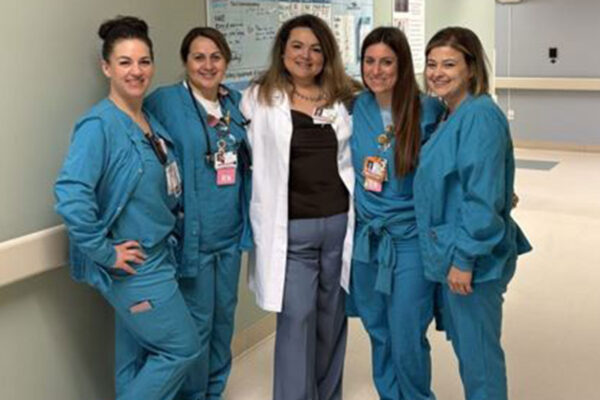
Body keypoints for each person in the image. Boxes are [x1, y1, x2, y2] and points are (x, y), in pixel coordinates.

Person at [54, 16, 200, 400]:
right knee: (181, 348)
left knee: (133, 361)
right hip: (134, 267)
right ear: (107, 67)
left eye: (144, 61)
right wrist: (104, 252)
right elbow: (71, 195)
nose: (136, 71)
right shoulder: (99, 126)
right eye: (124, 62)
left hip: (159, 255)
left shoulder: (147, 120)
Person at [240, 14, 358, 400]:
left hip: (339, 225)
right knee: (295, 320)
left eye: (316, 49)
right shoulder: (258, 97)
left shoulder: (346, 99)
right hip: (290, 231)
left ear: (327, 56)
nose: (306, 56)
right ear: (282, 50)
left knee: (331, 319)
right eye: (297, 46)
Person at [414, 27, 532, 400]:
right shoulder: (449, 113)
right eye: (432, 64)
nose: (438, 72)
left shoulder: (479, 116)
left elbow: (480, 200)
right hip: (456, 250)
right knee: (472, 354)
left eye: (449, 64)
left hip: (473, 261)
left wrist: (464, 258)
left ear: (471, 67)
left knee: (479, 359)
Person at [142, 26, 252, 400]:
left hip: (230, 236)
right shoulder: (165, 102)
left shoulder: (235, 104)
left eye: (215, 57)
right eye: (198, 57)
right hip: (193, 239)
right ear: (186, 62)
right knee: (197, 327)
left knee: (224, 324)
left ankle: (214, 391)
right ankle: (194, 395)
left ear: (226, 62)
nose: (207, 65)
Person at [347, 27, 443, 400]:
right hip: (368, 240)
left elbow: (457, 164)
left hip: (410, 241)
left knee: (406, 332)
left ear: (402, 65)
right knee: (377, 328)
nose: (377, 70)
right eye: (369, 61)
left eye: (386, 62)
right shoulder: (354, 108)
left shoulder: (430, 110)